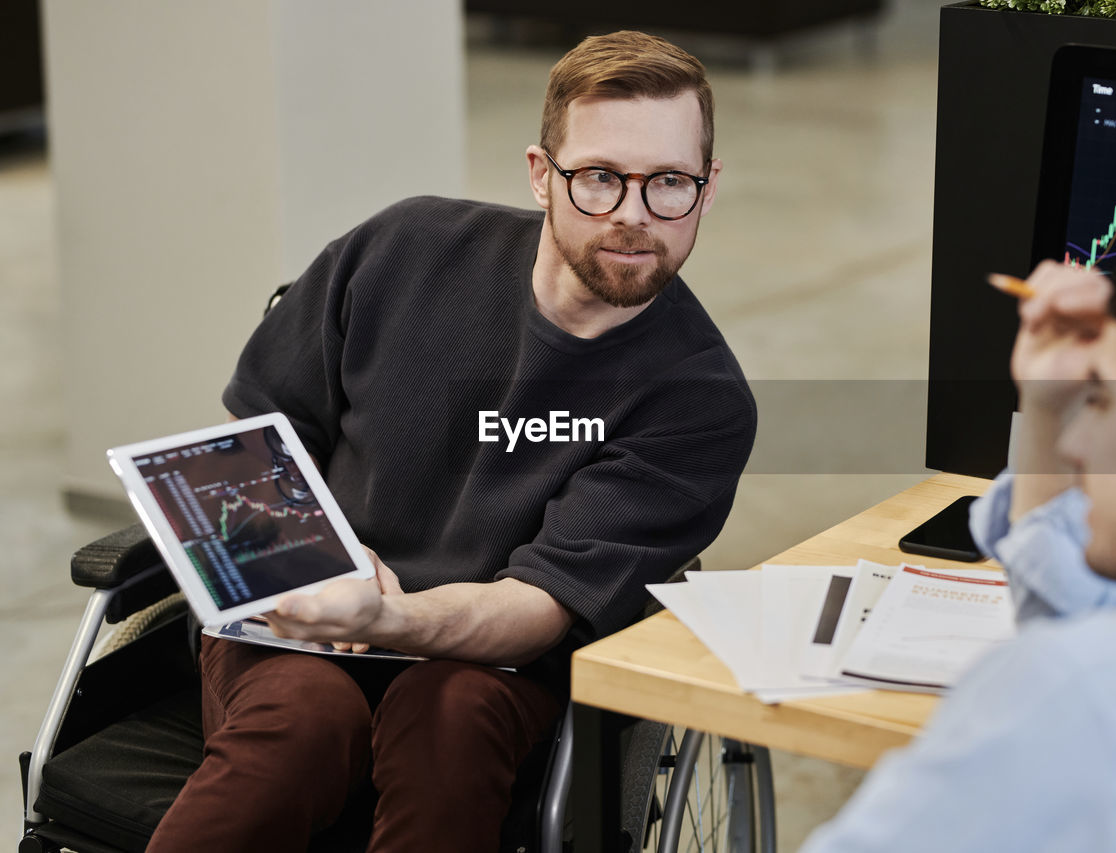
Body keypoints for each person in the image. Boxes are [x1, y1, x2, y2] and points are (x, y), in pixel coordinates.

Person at [147, 31, 755, 853]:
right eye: (600, 178)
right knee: (302, 721)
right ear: (542, 175)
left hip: (490, 667)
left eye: (669, 183)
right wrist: (311, 573)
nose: (632, 215)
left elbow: (537, 609)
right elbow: (252, 448)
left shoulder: (699, 400)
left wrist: (389, 615)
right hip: (304, 612)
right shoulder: (403, 250)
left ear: (708, 187)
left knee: (451, 718)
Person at [802, 206, 1116, 852]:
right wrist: (1049, 408)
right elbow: (1092, 628)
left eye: (1103, 398)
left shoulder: (1075, 698)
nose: (1077, 442)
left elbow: (1090, 678)